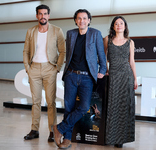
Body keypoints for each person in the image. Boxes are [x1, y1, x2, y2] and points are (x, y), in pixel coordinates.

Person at [52, 9, 107, 149]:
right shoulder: (71, 34)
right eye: (79, 18)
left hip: (87, 77)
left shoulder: (95, 34)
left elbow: (101, 56)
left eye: (84, 18)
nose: (82, 21)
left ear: (89, 20)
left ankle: (59, 128)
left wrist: (102, 70)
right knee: (69, 108)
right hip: (71, 75)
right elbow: (69, 55)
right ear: (76, 20)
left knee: (83, 107)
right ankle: (67, 138)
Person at [23, 4, 66, 142]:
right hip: (34, 68)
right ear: (37, 16)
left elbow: (63, 51)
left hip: (50, 69)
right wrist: (27, 68)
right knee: (35, 101)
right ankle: (34, 130)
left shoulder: (57, 30)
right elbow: (26, 51)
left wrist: (57, 67)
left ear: (49, 15)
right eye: (40, 14)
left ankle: (52, 131)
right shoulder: (31, 31)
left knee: (50, 102)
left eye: (45, 13)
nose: (43, 16)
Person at [103, 16, 138, 148]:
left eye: (121, 23)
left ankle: (120, 139)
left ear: (125, 26)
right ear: (113, 26)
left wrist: (135, 78)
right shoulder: (107, 40)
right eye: (116, 23)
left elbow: (132, 62)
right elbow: (103, 57)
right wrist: (105, 70)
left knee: (124, 108)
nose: (119, 25)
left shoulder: (130, 42)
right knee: (112, 107)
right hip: (112, 77)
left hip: (126, 77)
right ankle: (109, 137)